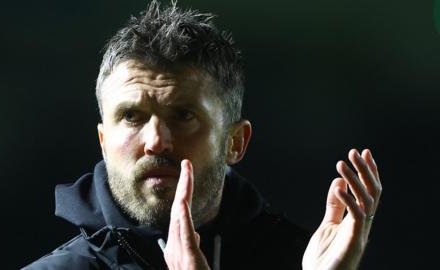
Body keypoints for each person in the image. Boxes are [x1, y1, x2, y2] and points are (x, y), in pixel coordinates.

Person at [23, 1, 382, 269]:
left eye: (182, 116)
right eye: (132, 117)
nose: (156, 141)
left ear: (235, 142)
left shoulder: (304, 261)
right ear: (103, 142)